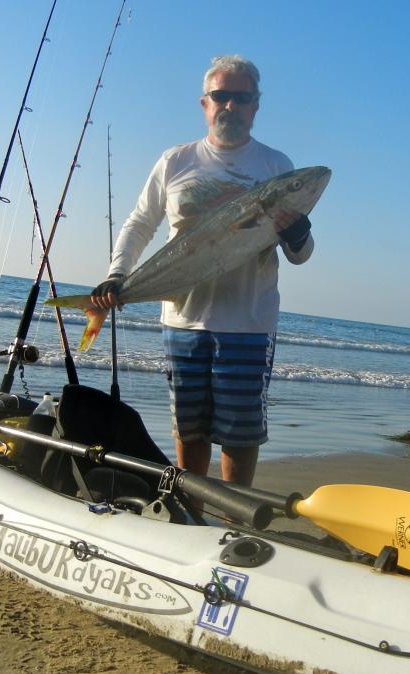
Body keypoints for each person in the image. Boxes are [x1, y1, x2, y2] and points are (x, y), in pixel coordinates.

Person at [89, 55, 314, 487]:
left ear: (256, 106)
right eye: (221, 96)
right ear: (204, 103)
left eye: (241, 97)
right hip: (183, 321)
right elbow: (140, 222)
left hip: (248, 323)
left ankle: (232, 522)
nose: (230, 105)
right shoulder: (176, 160)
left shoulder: (277, 167)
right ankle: (189, 512)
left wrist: (299, 232)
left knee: (239, 436)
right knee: (189, 430)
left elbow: (299, 256)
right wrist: (118, 276)